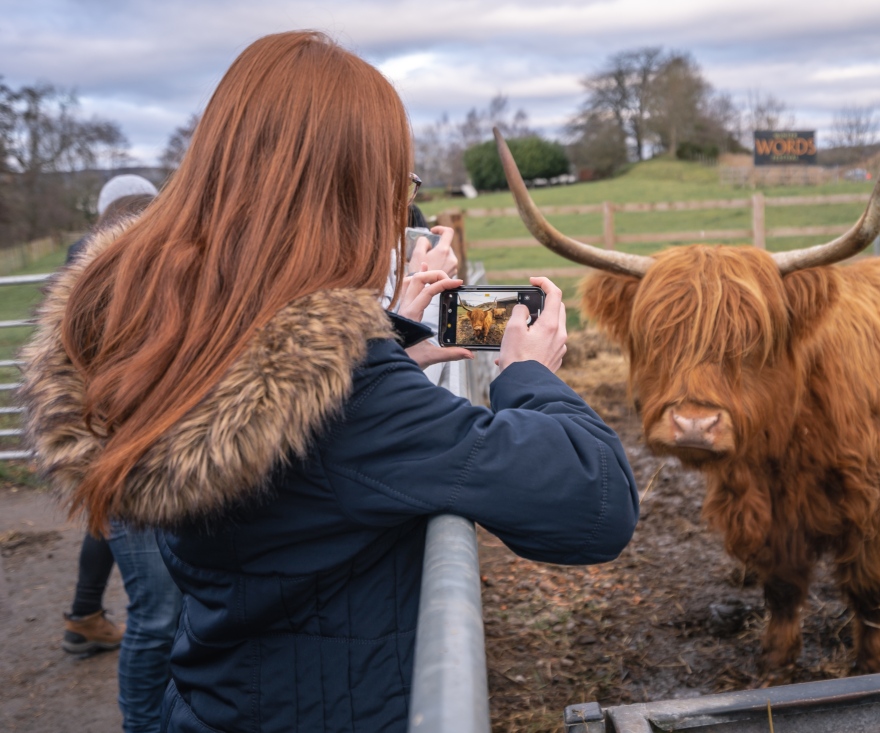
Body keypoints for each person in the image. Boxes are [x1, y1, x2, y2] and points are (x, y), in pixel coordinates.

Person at [19, 30, 638, 733]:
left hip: (207, 702)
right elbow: (596, 499)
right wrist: (526, 370)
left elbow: (287, 443)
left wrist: (387, 344)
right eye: (395, 187)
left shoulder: (171, 339)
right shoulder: (352, 400)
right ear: (347, 195)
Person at [62, 177, 184, 733]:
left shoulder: (161, 284)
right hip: (128, 467)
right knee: (157, 614)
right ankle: (141, 723)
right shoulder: (95, 296)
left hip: (166, 465)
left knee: (171, 608)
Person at [60, 176, 161, 657]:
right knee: (157, 613)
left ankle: (84, 614)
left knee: (106, 517)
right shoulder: (140, 256)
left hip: (99, 424)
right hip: (133, 427)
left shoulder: (80, 255)